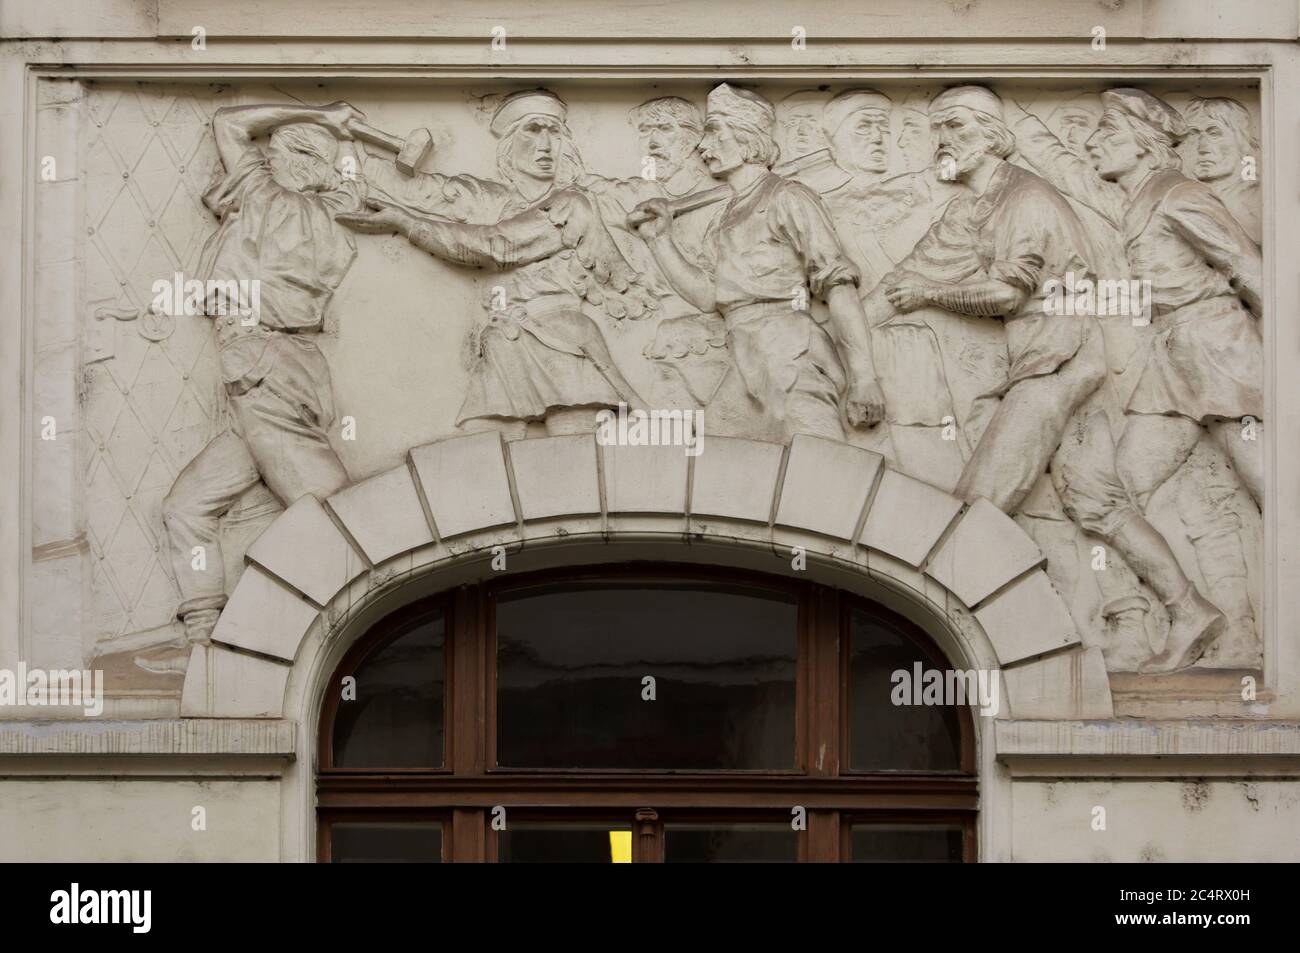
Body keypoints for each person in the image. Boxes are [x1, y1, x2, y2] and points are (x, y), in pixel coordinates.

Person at [865, 86, 1225, 673]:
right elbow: (905, 279)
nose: (942, 141)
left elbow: (1008, 292)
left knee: (979, 501)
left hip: (1056, 363)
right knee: (1097, 503)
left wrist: (929, 294)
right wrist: (846, 351)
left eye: (955, 127)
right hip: (1046, 364)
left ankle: (918, 647)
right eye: (938, 129)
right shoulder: (969, 209)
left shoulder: (1026, 199)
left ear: (990, 134)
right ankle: (1189, 608)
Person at [161, 101, 364, 649]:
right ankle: (204, 639)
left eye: (312, 155)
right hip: (266, 366)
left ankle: (307, 612)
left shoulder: (267, 195)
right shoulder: (328, 211)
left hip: (262, 361)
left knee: (323, 507)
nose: (273, 154)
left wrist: (321, 114)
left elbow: (226, 120)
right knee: (186, 507)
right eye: (281, 148)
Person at [344, 90, 660, 435]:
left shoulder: (571, 204)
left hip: (563, 341)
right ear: (509, 144)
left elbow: (498, 246)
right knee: (478, 467)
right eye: (533, 130)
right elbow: (423, 191)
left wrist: (407, 224)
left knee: (575, 460)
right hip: (504, 341)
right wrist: (343, 147)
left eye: (553, 132)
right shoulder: (491, 200)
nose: (545, 145)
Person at [630, 83, 884, 442]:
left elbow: (837, 284)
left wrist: (864, 378)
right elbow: (708, 297)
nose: (704, 147)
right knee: (720, 479)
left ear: (747, 137)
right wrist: (658, 240)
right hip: (744, 360)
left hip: (790, 353)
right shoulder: (726, 216)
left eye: (715, 132)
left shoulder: (788, 197)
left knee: (824, 474)